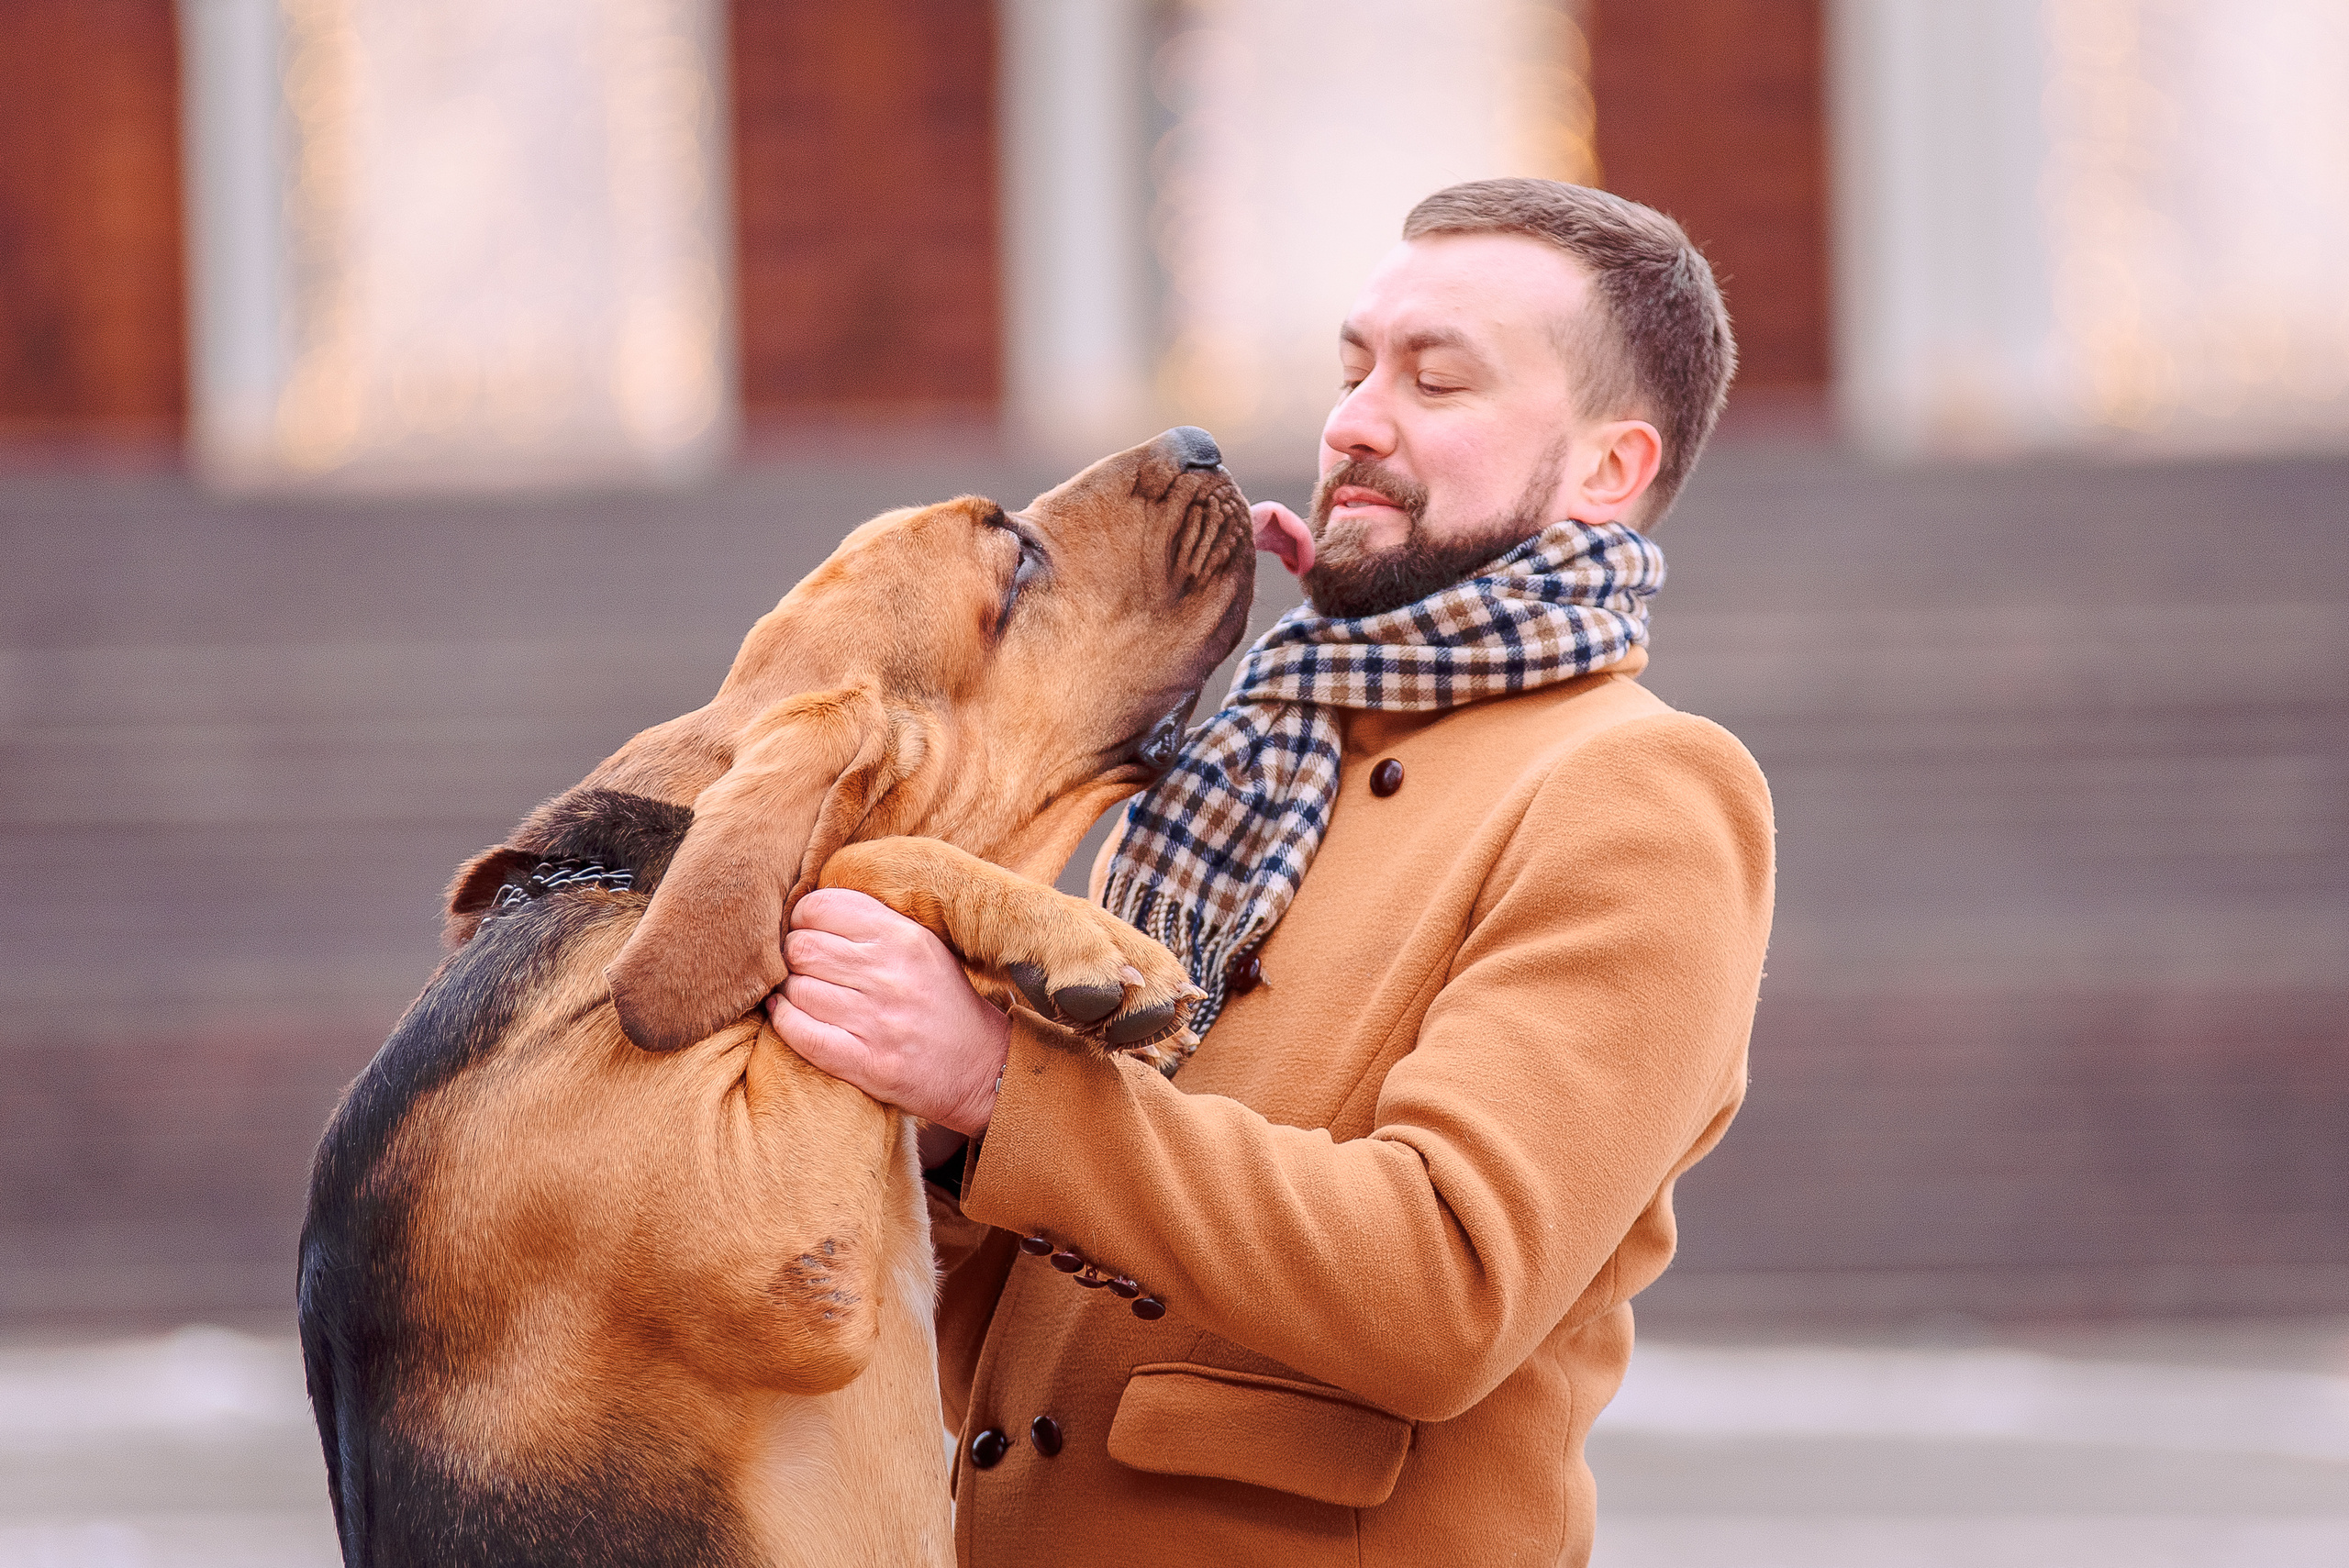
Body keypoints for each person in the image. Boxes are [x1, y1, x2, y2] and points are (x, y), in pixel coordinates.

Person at [770, 177, 1774, 1567]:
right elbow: (1010, 1338)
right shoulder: (1247, 759)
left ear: (1609, 471)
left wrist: (998, 1082)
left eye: (1439, 381)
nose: (1355, 420)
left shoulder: (1639, 788)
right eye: (1355, 367)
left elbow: (1444, 1283)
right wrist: (937, 1139)